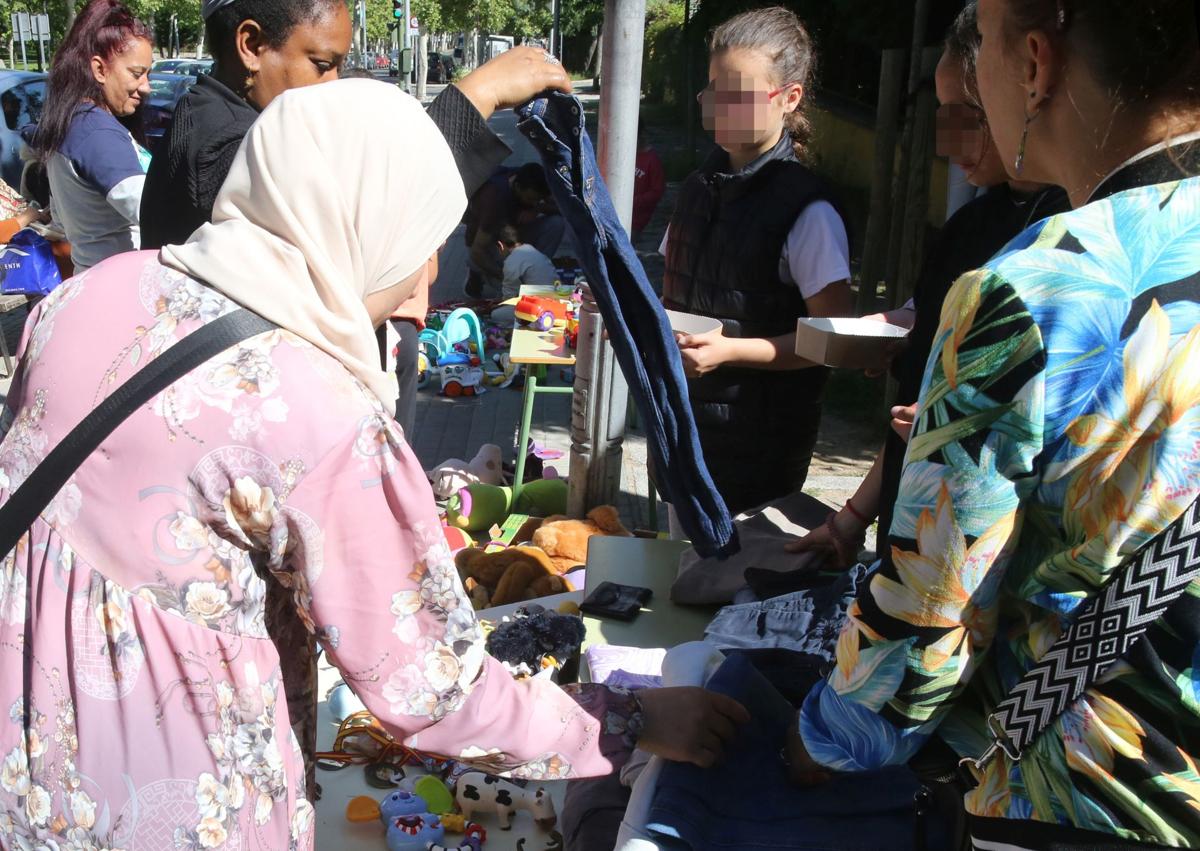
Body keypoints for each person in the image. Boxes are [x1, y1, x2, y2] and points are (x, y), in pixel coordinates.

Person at [0, 81, 748, 850]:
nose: (427, 277)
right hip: (169, 803)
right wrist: (635, 719)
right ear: (363, 221)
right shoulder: (320, 411)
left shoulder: (85, 294)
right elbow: (433, 689)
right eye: (422, 238)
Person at [788, 1, 1200, 847]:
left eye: (984, 42)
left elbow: (927, 628)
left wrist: (819, 737)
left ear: (1037, 65)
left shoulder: (1035, 288)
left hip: (1090, 799)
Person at [788, 2, 1068, 566]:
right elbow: (919, 399)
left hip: (982, 559)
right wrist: (852, 518)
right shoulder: (971, 225)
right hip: (912, 529)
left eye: (964, 116)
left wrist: (968, 423)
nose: (947, 142)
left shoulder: (1063, 239)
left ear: (1026, 84)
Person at [659, 6, 853, 518]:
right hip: (682, 431)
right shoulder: (699, 187)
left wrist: (731, 352)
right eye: (713, 92)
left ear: (789, 98)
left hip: (759, 454)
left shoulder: (808, 210)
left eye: (738, 97)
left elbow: (835, 339)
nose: (720, 108)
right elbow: (675, 289)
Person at [138, 0, 350, 251]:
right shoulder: (238, 149)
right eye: (322, 65)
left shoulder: (201, 110)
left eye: (340, 68)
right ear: (251, 46)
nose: (334, 84)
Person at [28, 0, 151, 274]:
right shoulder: (96, 132)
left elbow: (59, 221)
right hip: (122, 286)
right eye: (137, 74)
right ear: (99, 70)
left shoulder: (70, 121)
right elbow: (152, 211)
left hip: (93, 276)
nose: (147, 87)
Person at [464, 162, 565, 298]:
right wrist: (507, 276)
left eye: (538, 200)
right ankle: (477, 275)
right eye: (530, 199)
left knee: (556, 223)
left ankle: (534, 268)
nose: (533, 202)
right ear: (517, 187)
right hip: (490, 243)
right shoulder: (494, 200)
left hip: (516, 235)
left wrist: (538, 208)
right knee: (513, 294)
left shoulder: (527, 179)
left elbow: (563, 209)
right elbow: (477, 251)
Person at [498, 223, 558, 298]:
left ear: (501, 245)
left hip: (541, 302)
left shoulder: (511, 260)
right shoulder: (534, 251)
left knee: (497, 310)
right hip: (557, 296)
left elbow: (509, 295)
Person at [632, 125, 666, 239]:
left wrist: (636, 201)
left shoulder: (652, 160)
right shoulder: (627, 153)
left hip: (637, 218)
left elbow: (657, 192)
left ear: (641, 136)